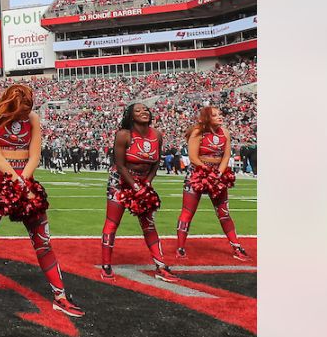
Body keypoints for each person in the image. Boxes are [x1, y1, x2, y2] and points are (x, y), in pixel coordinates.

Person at [0, 84, 84, 319]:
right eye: (21, 111)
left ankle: (60, 297)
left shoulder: (32, 118)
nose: (25, 114)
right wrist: (17, 182)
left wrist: (25, 181)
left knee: (43, 243)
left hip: (26, 177)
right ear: (11, 106)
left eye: (27, 110)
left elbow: (35, 155)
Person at [100, 103, 176, 282]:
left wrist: (147, 183)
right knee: (112, 223)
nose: (144, 112)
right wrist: (135, 186)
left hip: (143, 182)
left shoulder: (156, 135)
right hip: (120, 182)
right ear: (131, 116)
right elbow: (119, 165)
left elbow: (156, 162)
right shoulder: (123, 135)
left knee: (149, 224)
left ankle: (160, 266)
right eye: (138, 110)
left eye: (146, 109)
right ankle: (106, 265)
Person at [175, 106, 247, 261]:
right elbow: (193, 158)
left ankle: (236, 246)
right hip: (197, 174)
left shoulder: (225, 132)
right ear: (207, 118)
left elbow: (226, 156)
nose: (220, 117)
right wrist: (208, 171)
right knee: (188, 212)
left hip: (217, 174)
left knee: (224, 213)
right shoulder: (197, 132)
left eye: (220, 114)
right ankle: (180, 247)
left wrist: (218, 174)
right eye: (215, 115)